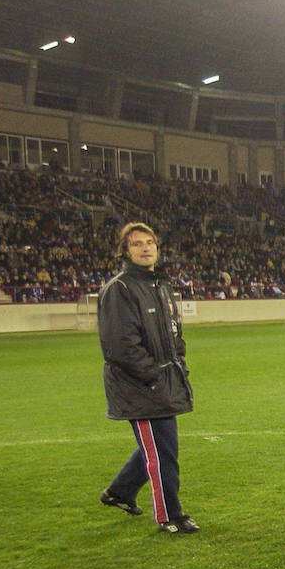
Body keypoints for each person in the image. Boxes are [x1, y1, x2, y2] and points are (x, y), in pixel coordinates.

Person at [97, 222, 198, 534]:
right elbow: (120, 346)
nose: (145, 248)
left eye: (150, 242)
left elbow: (173, 332)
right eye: (137, 244)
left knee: (156, 446)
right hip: (141, 386)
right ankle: (170, 516)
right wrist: (153, 376)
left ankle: (119, 492)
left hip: (162, 380)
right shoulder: (120, 289)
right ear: (125, 251)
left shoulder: (160, 285)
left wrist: (178, 362)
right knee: (163, 451)